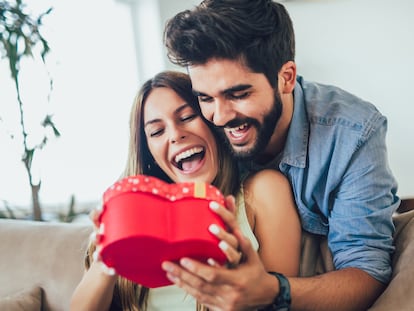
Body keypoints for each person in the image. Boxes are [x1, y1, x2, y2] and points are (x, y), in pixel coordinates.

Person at [161, 1, 400, 310]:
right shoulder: (200, 126)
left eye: (239, 94)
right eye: (205, 97)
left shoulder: (353, 132)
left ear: (286, 77)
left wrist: (272, 290)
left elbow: (366, 272)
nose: (219, 116)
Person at [70, 71, 301, 311]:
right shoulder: (136, 217)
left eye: (187, 117)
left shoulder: (263, 191)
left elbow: (281, 301)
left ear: (213, 122)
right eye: (157, 132)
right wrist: (107, 258)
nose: (175, 135)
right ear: (150, 154)